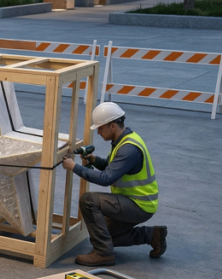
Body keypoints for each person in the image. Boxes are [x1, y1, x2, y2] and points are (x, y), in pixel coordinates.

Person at [62, 102, 165, 267]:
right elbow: (113, 167)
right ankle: (151, 235)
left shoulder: (128, 149)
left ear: (112, 126)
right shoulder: (123, 140)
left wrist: (74, 167)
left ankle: (103, 254)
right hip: (136, 201)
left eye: (101, 128)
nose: (98, 132)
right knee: (104, 235)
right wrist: (95, 161)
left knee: (88, 200)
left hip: (138, 205)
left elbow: (106, 179)